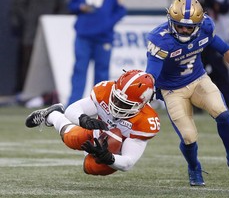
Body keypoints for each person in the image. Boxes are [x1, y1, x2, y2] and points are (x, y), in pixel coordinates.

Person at [145, 0, 229, 186]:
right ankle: (194, 167)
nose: (184, 30)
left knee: (222, 113)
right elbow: (151, 74)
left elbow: (225, 49)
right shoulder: (160, 40)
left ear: (198, 23)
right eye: (179, 25)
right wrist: (146, 93)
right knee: (188, 137)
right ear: (170, 21)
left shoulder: (205, 27)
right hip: (172, 90)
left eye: (189, 27)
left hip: (198, 80)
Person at [25, 69, 160, 175]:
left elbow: (127, 162)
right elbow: (72, 109)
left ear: (141, 104)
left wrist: (108, 157)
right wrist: (84, 120)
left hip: (114, 151)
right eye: (116, 98)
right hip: (96, 131)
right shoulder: (105, 91)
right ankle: (52, 115)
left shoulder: (146, 121)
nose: (116, 104)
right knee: (70, 138)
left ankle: (53, 115)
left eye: (124, 104)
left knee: (90, 168)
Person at [67, 0, 127, 106]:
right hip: (83, 35)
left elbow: (121, 9)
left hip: (103, 37)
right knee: (79, 69)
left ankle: (100, 104)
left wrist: (107, 23)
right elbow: (70, 5)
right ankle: (73, 104)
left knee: (102, 72)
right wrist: (80, 7)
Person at [10, 0, 68, 93]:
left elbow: (63, 7)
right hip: (30, 30)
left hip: (50, 32)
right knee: (27, 60)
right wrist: (27, 19)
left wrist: (52, 21)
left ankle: (47, 92)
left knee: (49, 62)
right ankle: (24, 91)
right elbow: (19, 6)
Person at [191, 0, 229, 109]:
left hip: (217, 36)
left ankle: (228, 101)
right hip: (200, 38)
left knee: (221, 71)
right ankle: (196, 103)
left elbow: (222, 8)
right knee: (197, 71)